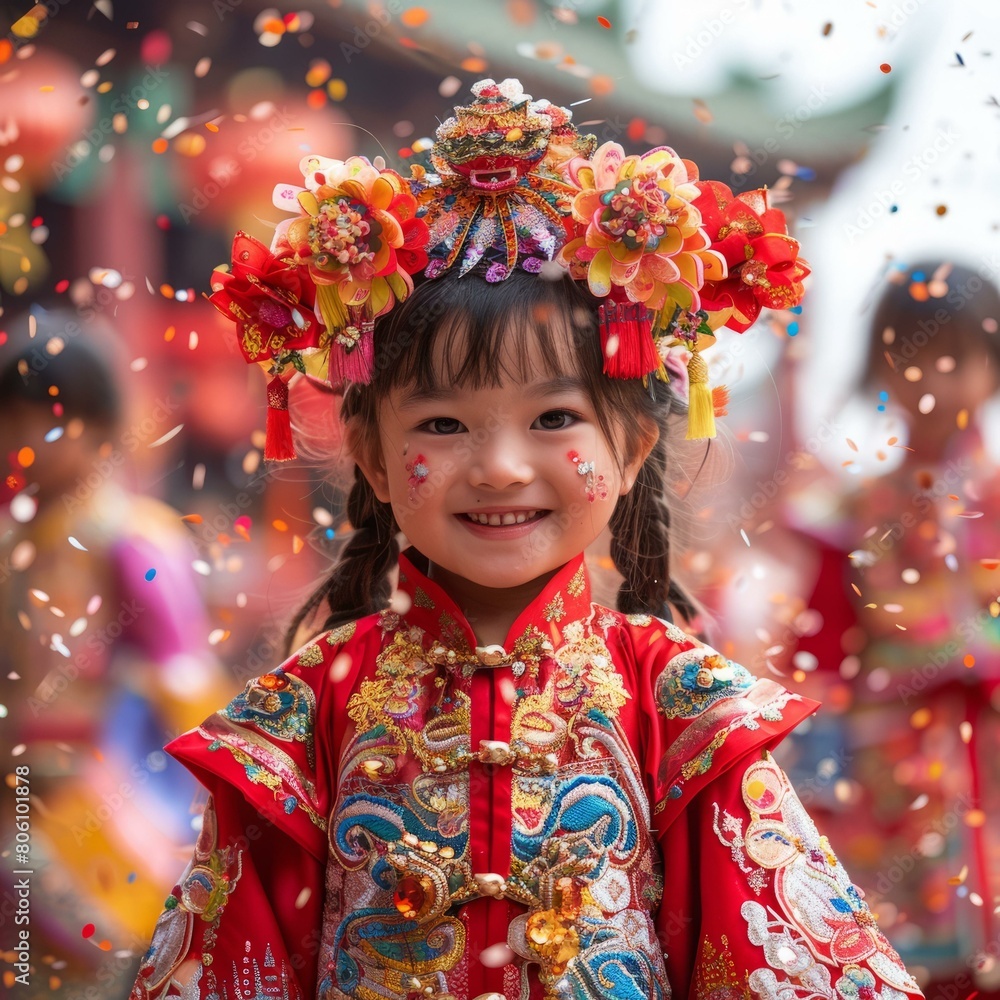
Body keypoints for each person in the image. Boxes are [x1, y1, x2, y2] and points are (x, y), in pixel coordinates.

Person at [131, 79, 921, 1000]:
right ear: (374, 461)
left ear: (631, 446)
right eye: (443, 425)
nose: (501, 467)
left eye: (553, 417)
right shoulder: (308, 716)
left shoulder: (678, 707)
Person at [0, 310, 225, 997]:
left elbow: (191, 693)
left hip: (107, 820)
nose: (18, 441)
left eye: (39, 421)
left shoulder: (132, 541)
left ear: (97, 428)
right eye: (10, 421)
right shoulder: (13, 545)